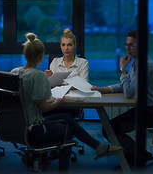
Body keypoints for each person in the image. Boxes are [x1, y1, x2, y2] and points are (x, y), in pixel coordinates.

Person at [10, 33, 122, 172]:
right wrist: (57, 102)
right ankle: (75, 162)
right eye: (63, 45)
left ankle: (98, 147)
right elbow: (44, 107)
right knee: (67, 129)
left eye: (69, 44)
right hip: (35, 126)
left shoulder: (14, 72)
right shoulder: (39, 76)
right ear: (40, 56)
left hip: (15, 127)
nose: (66, 48)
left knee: (67, 118)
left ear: (25, 54)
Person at [92, 30, 153, 167]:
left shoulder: (144, 65)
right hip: (145, 108)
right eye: (126, 45)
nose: (127, 48)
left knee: (110, 129)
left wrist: (122, 70)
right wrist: (104, 89)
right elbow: (125, 85)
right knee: (110, 128)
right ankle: (138, 154)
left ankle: (139, 155)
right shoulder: (137, 62)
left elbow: (129, 92)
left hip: (151, 112)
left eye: (131, 45)